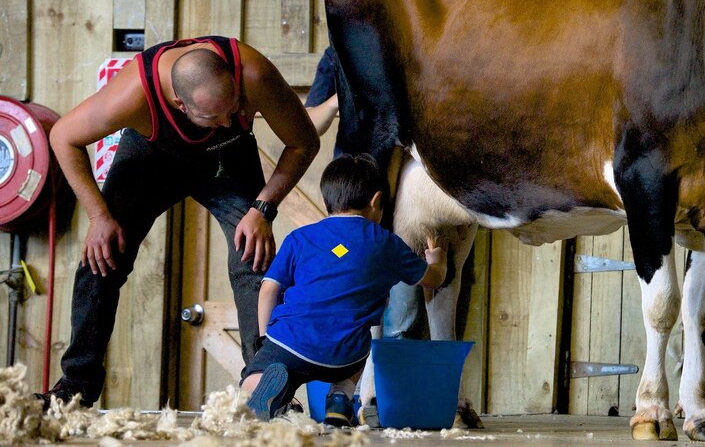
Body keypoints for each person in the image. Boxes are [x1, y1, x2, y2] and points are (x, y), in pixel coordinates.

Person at [39, 35, 320, 408]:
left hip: (228, 159)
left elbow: (304, 143)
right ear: (178, 102)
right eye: (212, 115)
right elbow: (62, 137)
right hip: (150, 158)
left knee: (253, 259)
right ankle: (75, 388)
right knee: (100, 259)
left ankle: (263, 390)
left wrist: (263, 208)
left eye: (230, 109)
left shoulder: (253, 73)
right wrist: (98, 216)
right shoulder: (134, 93)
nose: (224, 121)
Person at [242, 153, 446, 425]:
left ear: (327, 201)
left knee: (262, 372)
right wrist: (436, 261)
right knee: (359, 337)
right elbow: (432, 279)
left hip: (290, 342)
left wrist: (265, 338)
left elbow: (268, 289)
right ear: (376, 202)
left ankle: (264, 389)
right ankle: (340, 399)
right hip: (345, 356)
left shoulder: (300, 238)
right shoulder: (387, 243)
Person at [305, 46, 426, 340]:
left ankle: (385, 383)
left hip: (400, 203)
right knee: (348, 298)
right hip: (351, 202)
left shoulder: (407, 47)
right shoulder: (338, 53)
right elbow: (310, 123)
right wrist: (339, 100)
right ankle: (352, 380)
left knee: (401, 315)